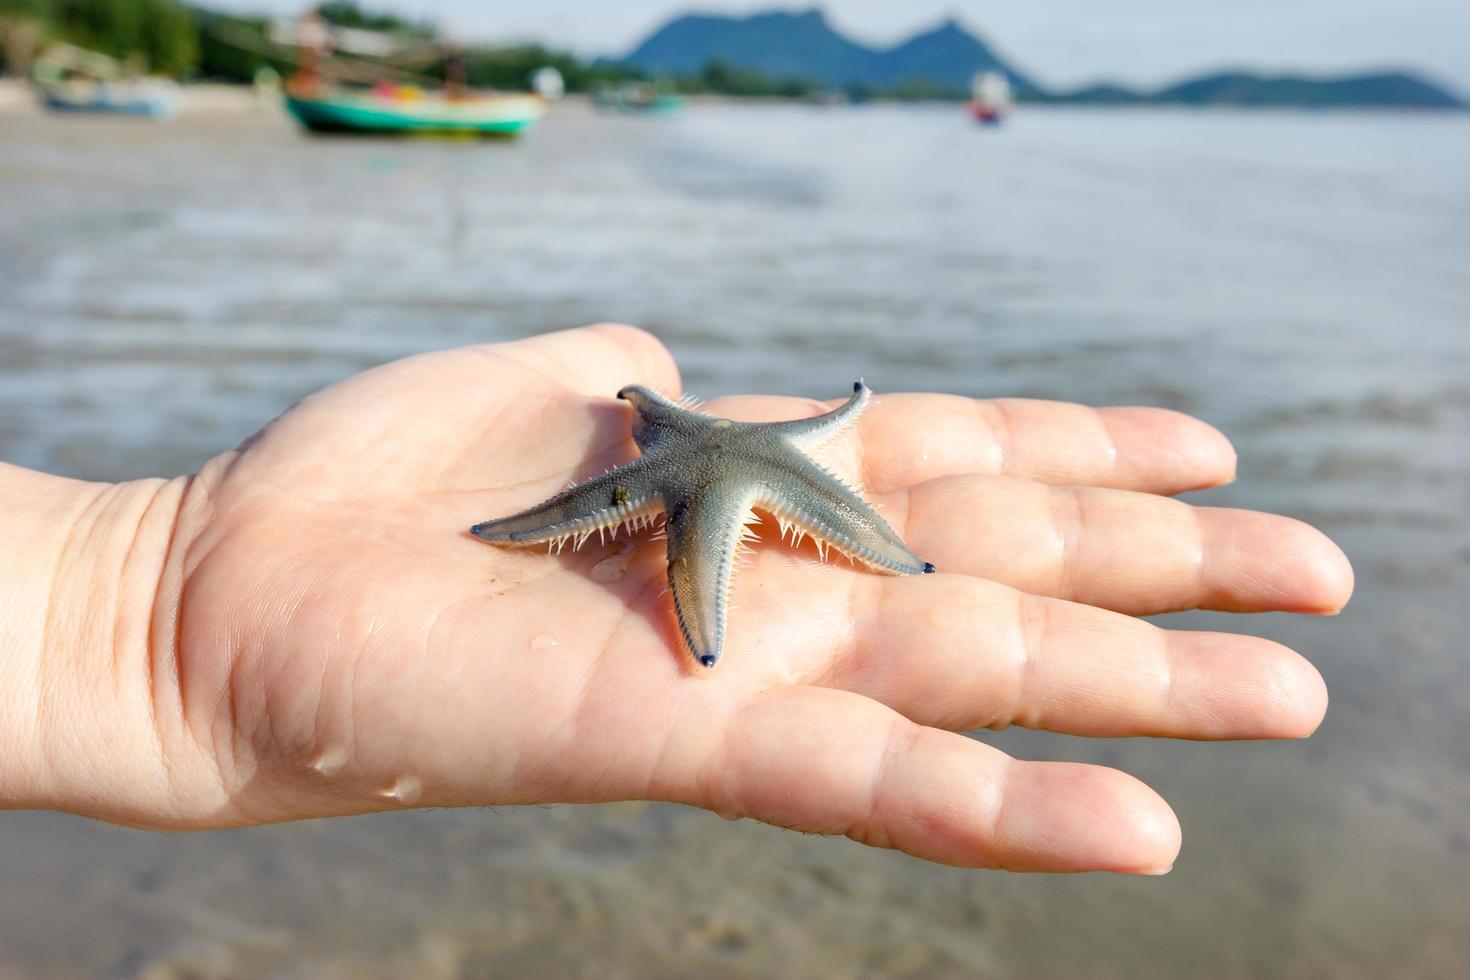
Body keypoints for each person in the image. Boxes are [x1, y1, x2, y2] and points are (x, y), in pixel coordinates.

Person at [0, 324, 1351, 873]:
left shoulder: (718, 452)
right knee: (697, 560)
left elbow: (722, 416)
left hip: (736, 454)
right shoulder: (677, 455)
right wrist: (140, 613)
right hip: (714, 456)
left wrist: (127, 605)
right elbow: (661, 416)